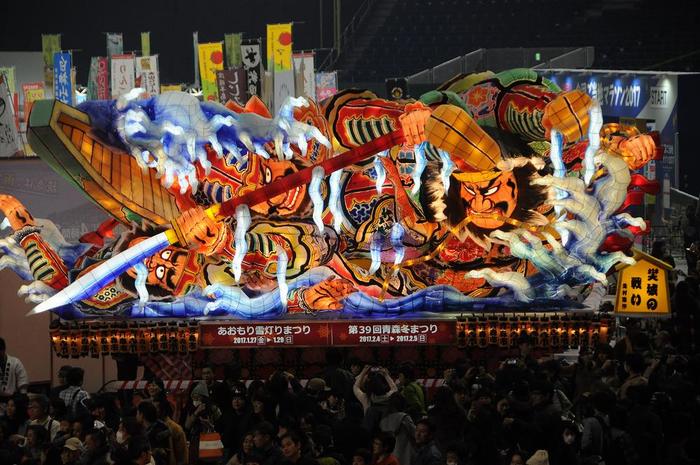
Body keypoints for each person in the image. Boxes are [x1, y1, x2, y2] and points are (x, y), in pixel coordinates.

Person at [378, 393, 414, 465]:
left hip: (389, 456)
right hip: (405, 454)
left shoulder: (383, 421)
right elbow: (414, 433)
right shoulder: (405, 418)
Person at [154, 394, 188, 465]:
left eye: (156, 408)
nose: (153, 411)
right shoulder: (152, 426)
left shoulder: (175, 428)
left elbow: (182, 457)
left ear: (163, 410)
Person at [137, 400, 172, 465]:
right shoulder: (160, 427)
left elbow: (159, 456)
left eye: (137, 413)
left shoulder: (155, 433)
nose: (136, 416)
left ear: (141, 415)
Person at [0, 338, 29, 402]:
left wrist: (23, 394)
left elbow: (22, 379)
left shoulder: (15, 362)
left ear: (3, 350)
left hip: (14, 398)